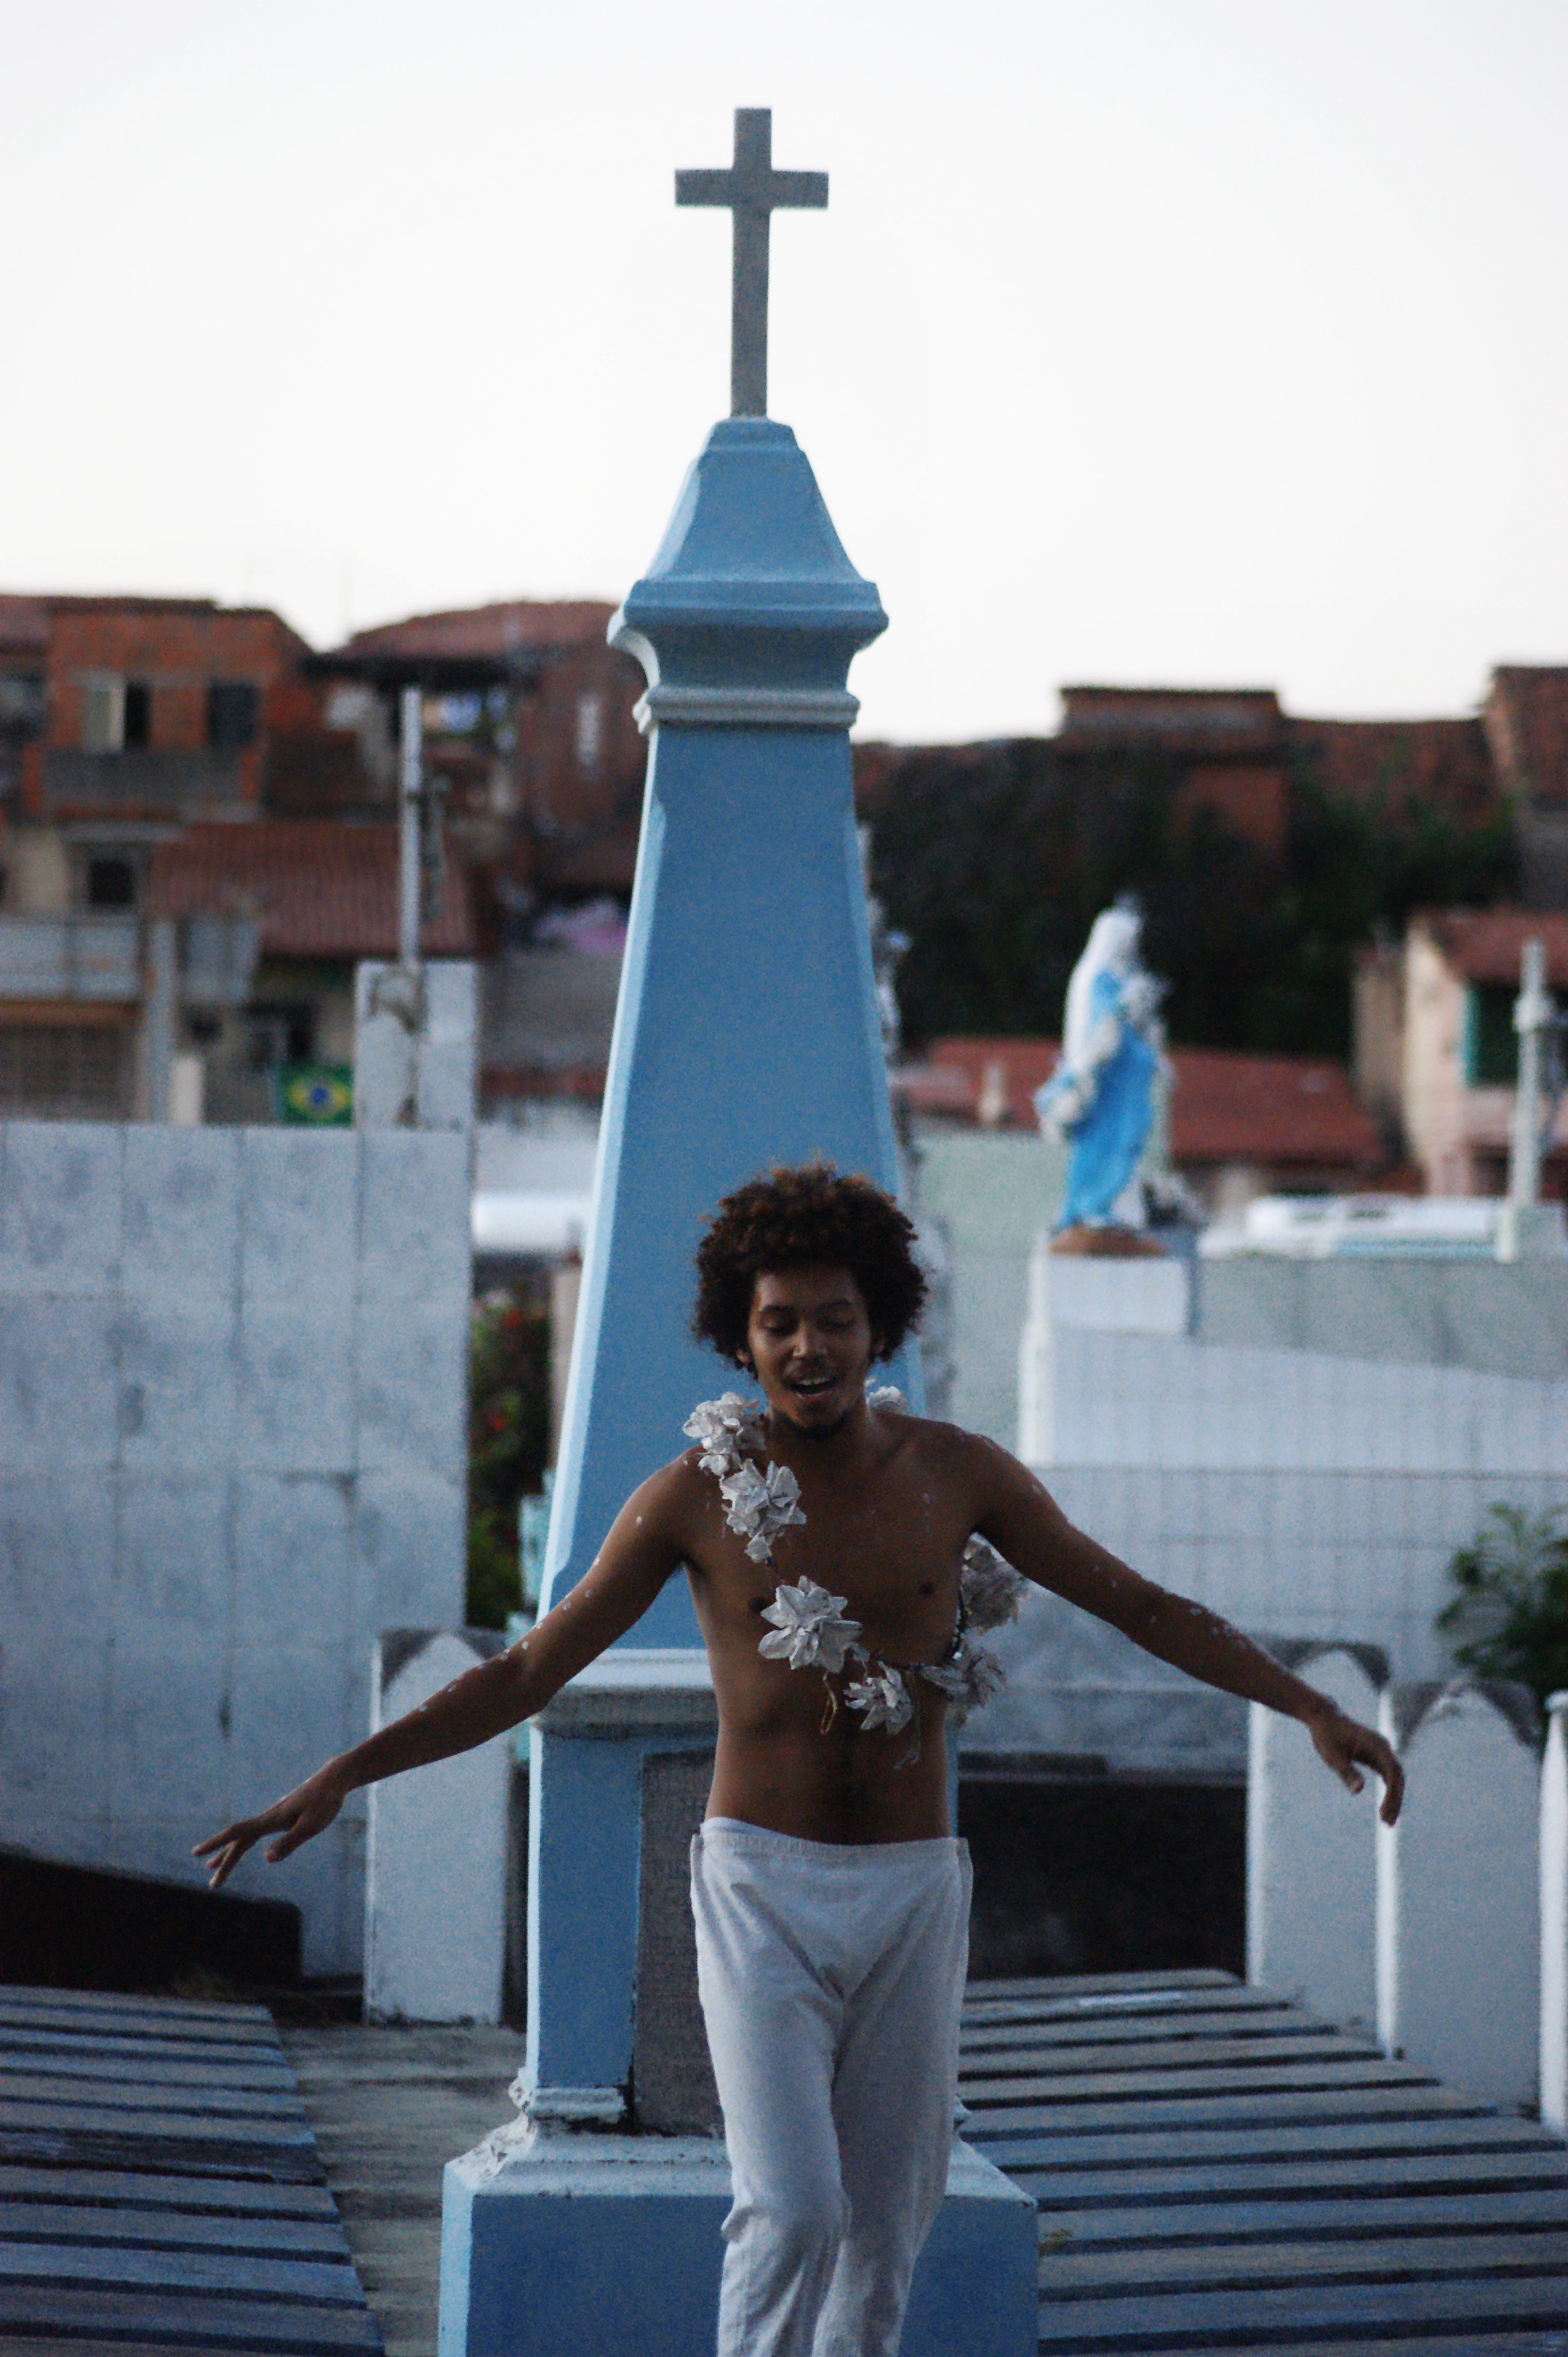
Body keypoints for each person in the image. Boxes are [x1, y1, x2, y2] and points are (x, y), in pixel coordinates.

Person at [197, 1162, 1402, 2357]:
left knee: (885, 2226)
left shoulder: (960, 1472)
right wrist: (343, 1774)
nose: (808, 1346)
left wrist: (1304, 1703)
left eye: (835, 1318)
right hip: (760, 1893)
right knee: (793, 2207)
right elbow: (525, 1671)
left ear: (880, 1327)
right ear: (741, 1337)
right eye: (779, 1322)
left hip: (913, 1890)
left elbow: (1136, 1602)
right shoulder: (690, 1497)